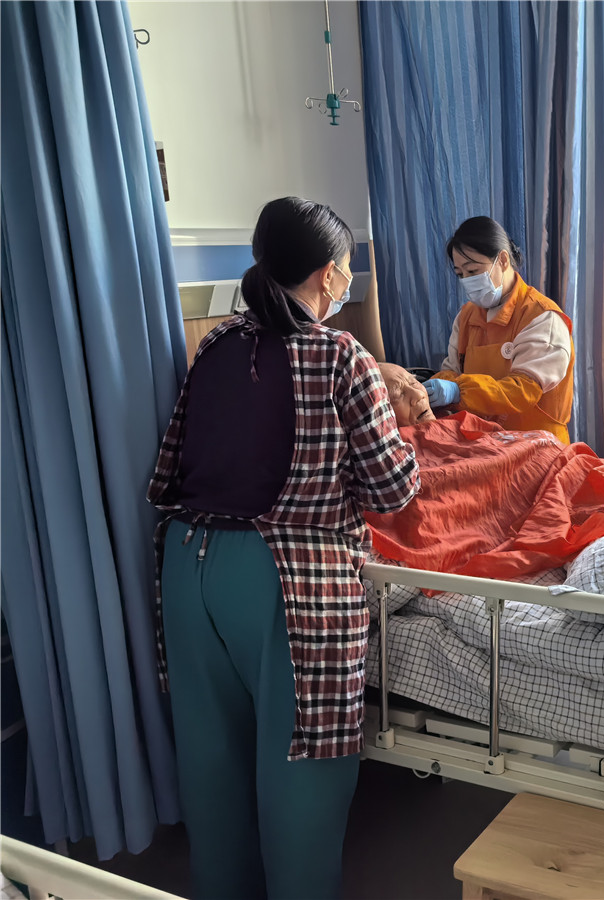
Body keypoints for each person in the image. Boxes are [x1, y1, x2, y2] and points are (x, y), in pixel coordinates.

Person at [147, 197, 420, 899]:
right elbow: (392, 491)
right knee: (302, 777)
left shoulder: (215, 345)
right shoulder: (340, 355)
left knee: (211, 773)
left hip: (185, 566)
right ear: (329, 274)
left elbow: (173, 460)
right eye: (347, 268)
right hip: (283, 582)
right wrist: (401, 426)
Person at [424, 216, 575, 443]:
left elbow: (523, 391)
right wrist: (433, 387)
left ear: (503, 260)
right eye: (460, 274)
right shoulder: (466, 317)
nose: (466, 280)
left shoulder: (542, 317)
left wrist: (458, 391)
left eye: (472, 270)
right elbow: (452, 371)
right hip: (485, 444)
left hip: (538, 447)